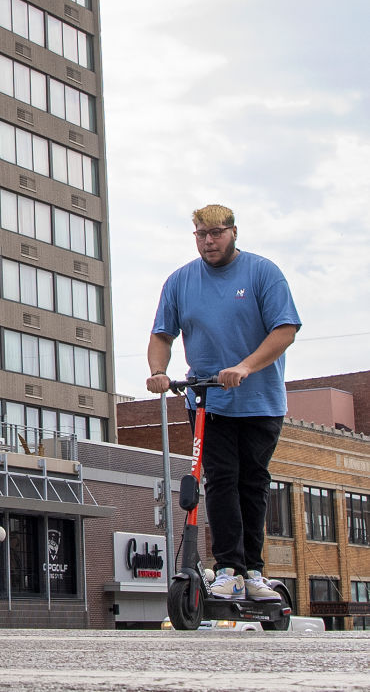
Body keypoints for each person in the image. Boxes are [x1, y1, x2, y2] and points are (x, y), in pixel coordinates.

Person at [146, 204, 300, 604]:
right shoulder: (180, 281)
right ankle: (230, 568)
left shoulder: (262, 273)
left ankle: (254, 571)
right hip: (208, 401)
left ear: (233, 232)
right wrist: (159, 371)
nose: (209, 241)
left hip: (260, 401)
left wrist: (246, 366)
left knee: (252, 482)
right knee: (220, 480)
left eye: (217, 233)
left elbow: (285, 330)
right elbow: (162, 335)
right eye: (202, 234)